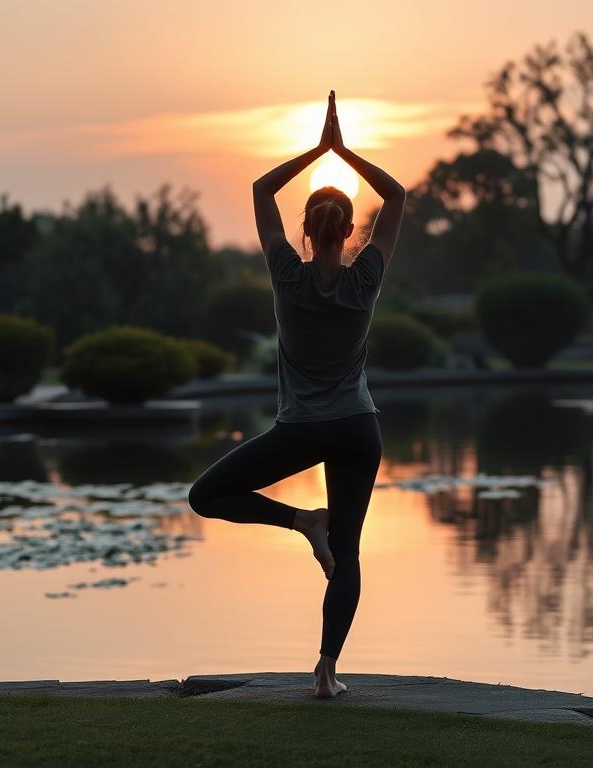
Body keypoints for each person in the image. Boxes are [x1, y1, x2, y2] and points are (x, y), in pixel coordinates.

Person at [188, 91, 405, 699]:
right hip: (359, 427)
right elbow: (397, 198)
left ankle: (300, 521)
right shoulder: (365, 279)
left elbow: (261, 191)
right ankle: (327, 671)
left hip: (303, 428)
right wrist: (346, 151)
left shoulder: (287, 275)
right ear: (349, 231)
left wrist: (317, 149)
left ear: (306, 231)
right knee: (351, 552)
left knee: (206, 495)